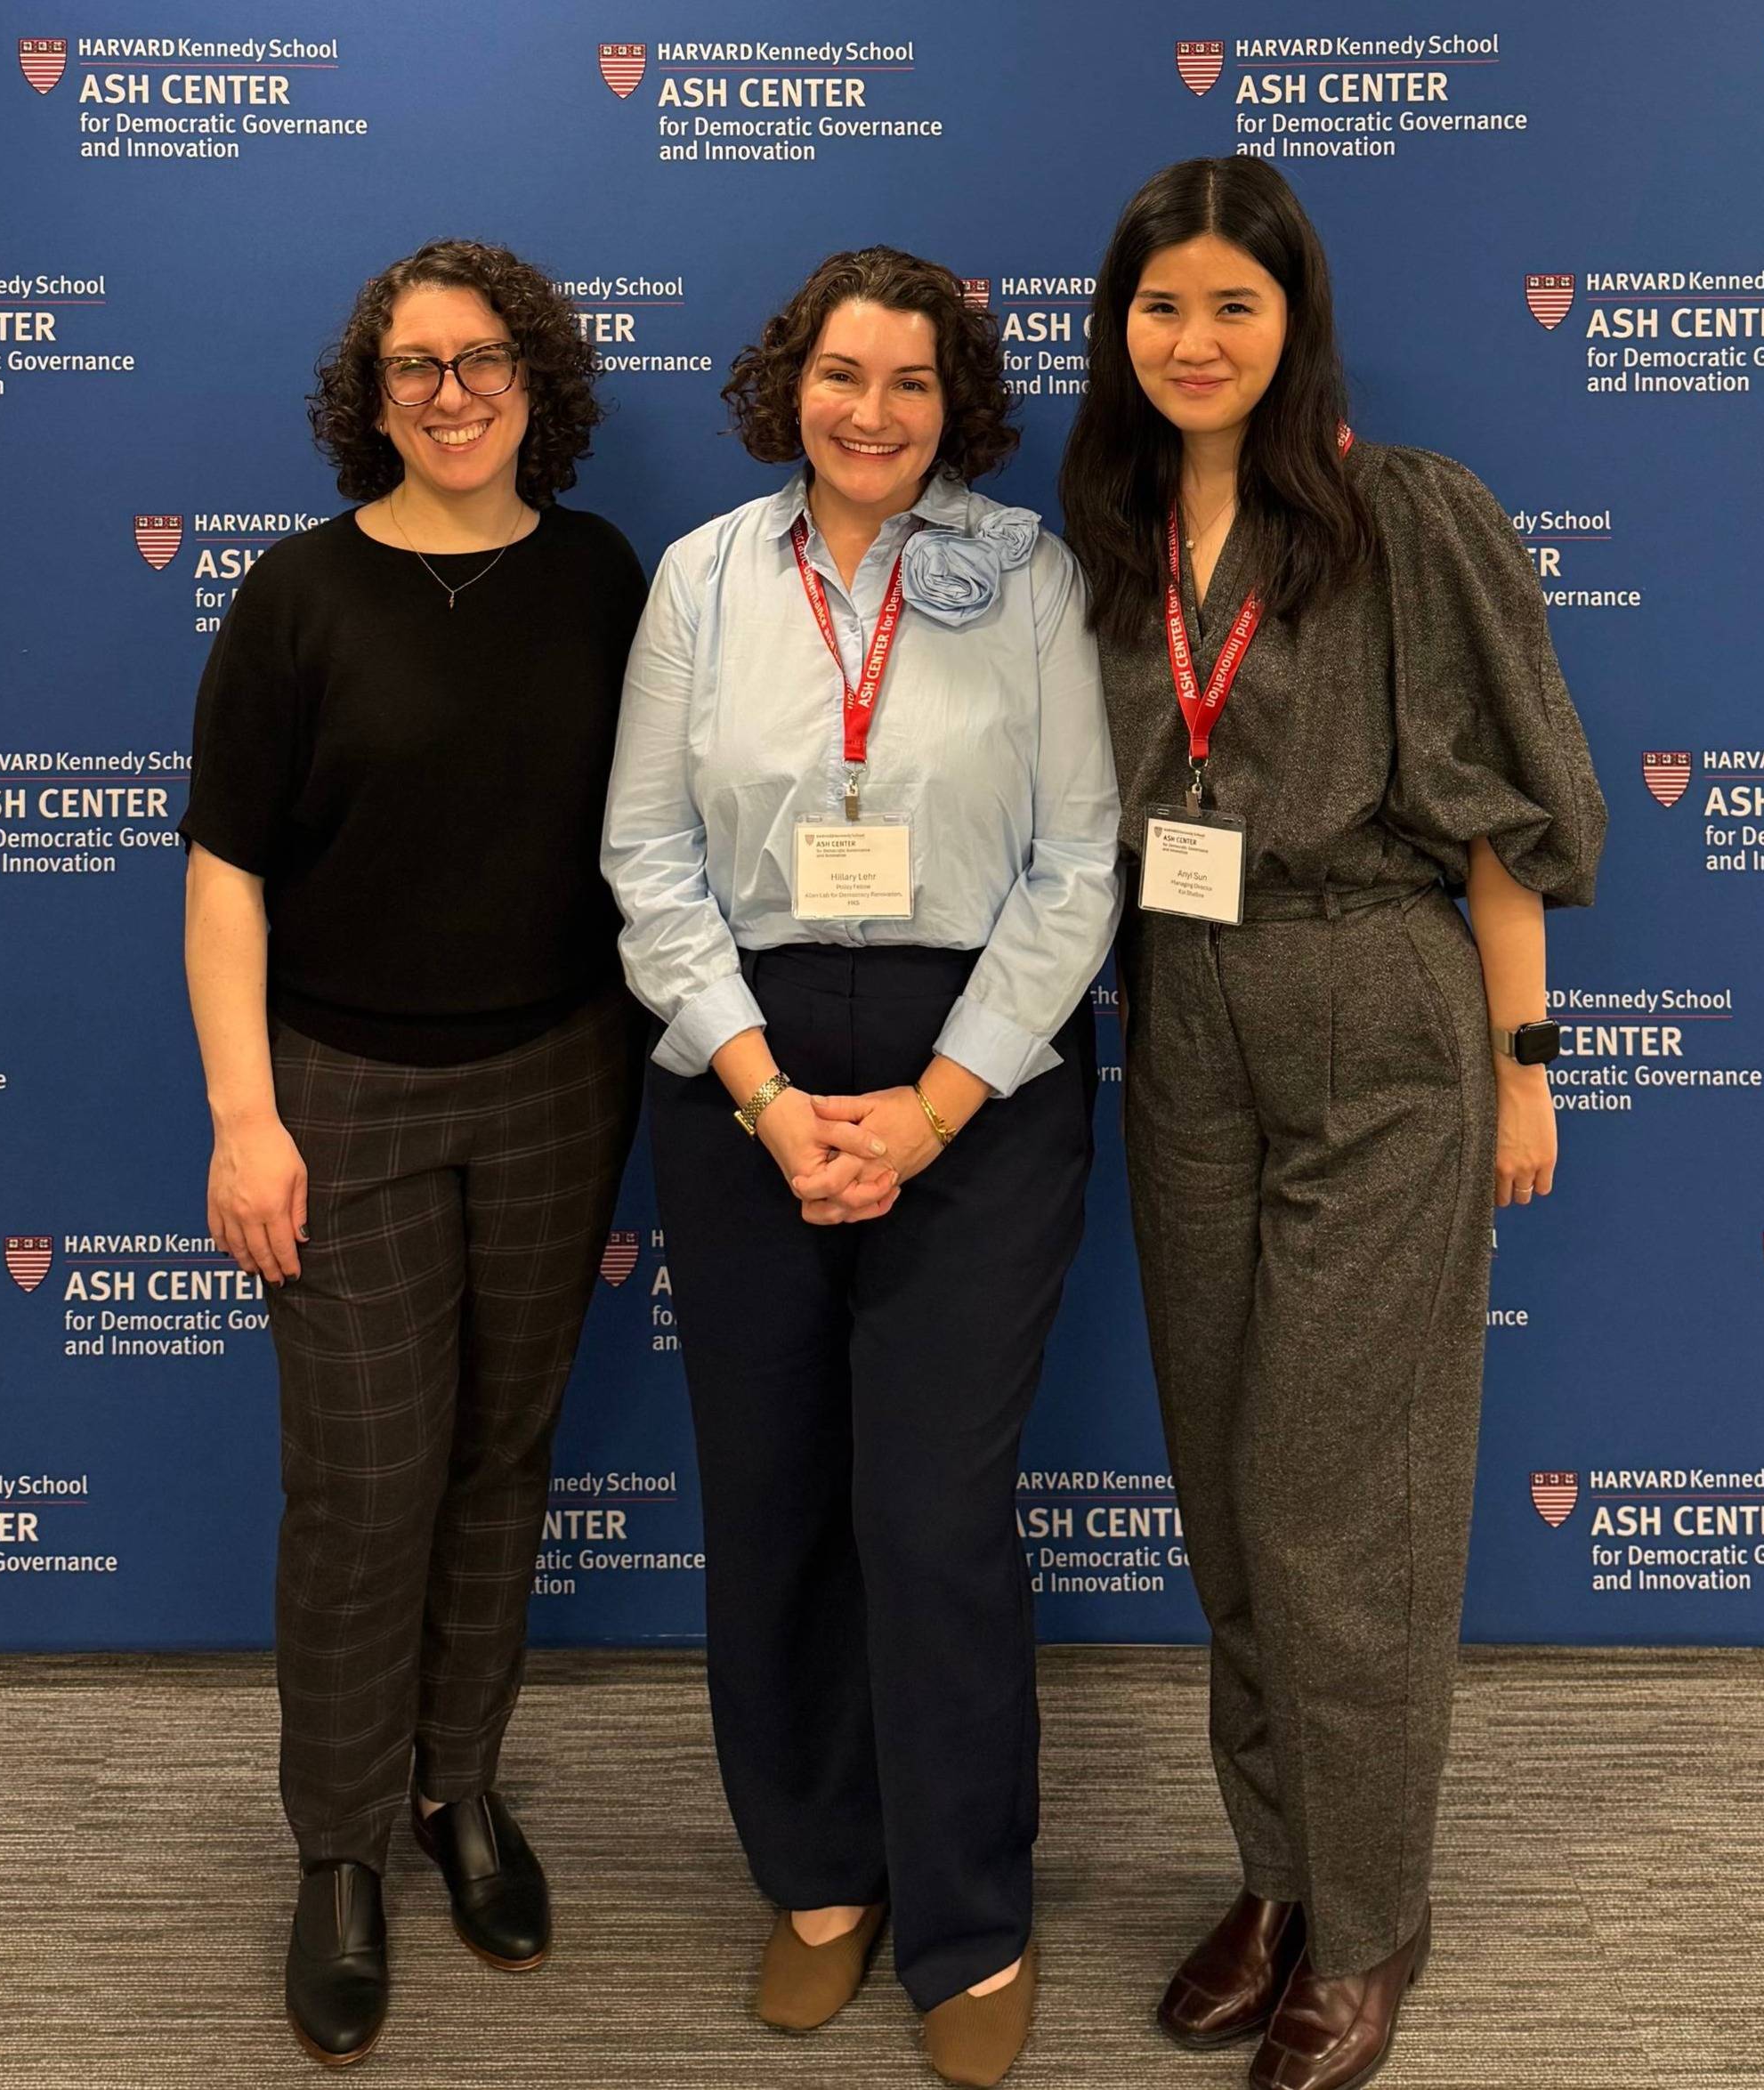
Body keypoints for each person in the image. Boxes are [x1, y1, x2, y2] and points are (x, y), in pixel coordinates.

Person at [1059, 160, 1606, 2090]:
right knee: (1226, 1486)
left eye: (1235, 303)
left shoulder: (1403, 515)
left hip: (1374, 999)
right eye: (1161, 306)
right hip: (1182, 1015)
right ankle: (1277, 1873)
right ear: (1120, 329)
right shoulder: (1109, 538)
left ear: (1296, 321)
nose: (1195, 340)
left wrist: (1525, 1056)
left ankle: (1371, 1922)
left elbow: (1502, 816)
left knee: (1335, 1505)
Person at [603, 247, 1120, 2087]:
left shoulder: (1028, 575)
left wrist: (932, 1105)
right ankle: (821, 1872)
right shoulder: (702, 578)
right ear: (789, 383)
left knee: (928, 1512)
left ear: (953, 404)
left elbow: (1081, 865)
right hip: (740, 1073)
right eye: (843, 374)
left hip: (977, 1074)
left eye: (911, 381)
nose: (873, 412)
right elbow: (647, 859)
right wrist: (763, 1095)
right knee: (773, 1499)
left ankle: (970, 1912)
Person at [179, 239, 646, 2068]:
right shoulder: (297, 597)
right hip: (340, 1094)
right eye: (414, 368)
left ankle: (463, 1789)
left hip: (559, 1081)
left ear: (537, 380)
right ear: (369, 400)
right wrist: (246, 1118)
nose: (452, 396)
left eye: (482, 360)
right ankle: (342, 1846)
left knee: (501, 1462)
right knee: (366, 1490)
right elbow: (227, 871)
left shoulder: (602, 579)